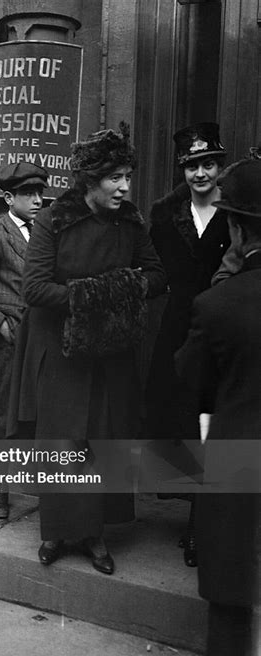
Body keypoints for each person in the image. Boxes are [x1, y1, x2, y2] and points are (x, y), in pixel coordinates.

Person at [8, 123, 166, 573]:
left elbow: (157, 276)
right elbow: (35, 288)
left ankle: (95, 534)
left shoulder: (131, 221)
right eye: (115, 177)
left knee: (103, 438)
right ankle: (57, 532)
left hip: (112, 354)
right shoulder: (53, 219)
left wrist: (120, 288)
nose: (124, 187)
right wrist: (93, 297)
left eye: (127, 177)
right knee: (64, 441)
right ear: (91, 179)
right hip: (61, 352)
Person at [175, 159, 261, 656]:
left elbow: (188, 378)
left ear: (236, 228)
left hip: (238, 458)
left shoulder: (217, 303)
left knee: (231, 585)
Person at [145, 122, 231, 566]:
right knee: (181, 421)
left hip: (221, 331)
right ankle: (190, 513)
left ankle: (204, 521)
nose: (201, 174)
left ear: (220, 166)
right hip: (178, 331)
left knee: (214, 423)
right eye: (192, 166)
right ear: (182, 169)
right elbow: (154, 269)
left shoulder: (237, 213)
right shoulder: (164, 216)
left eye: (208, 164)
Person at [0, 162, 48, 519]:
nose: (37, 200)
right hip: (13, 340)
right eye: (28, 194)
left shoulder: (45, 230)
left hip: (45, 338)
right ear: (8, 197)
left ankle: (49, 491)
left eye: (39, 193)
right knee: (4, 413)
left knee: (45, 412)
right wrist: (3, 329)